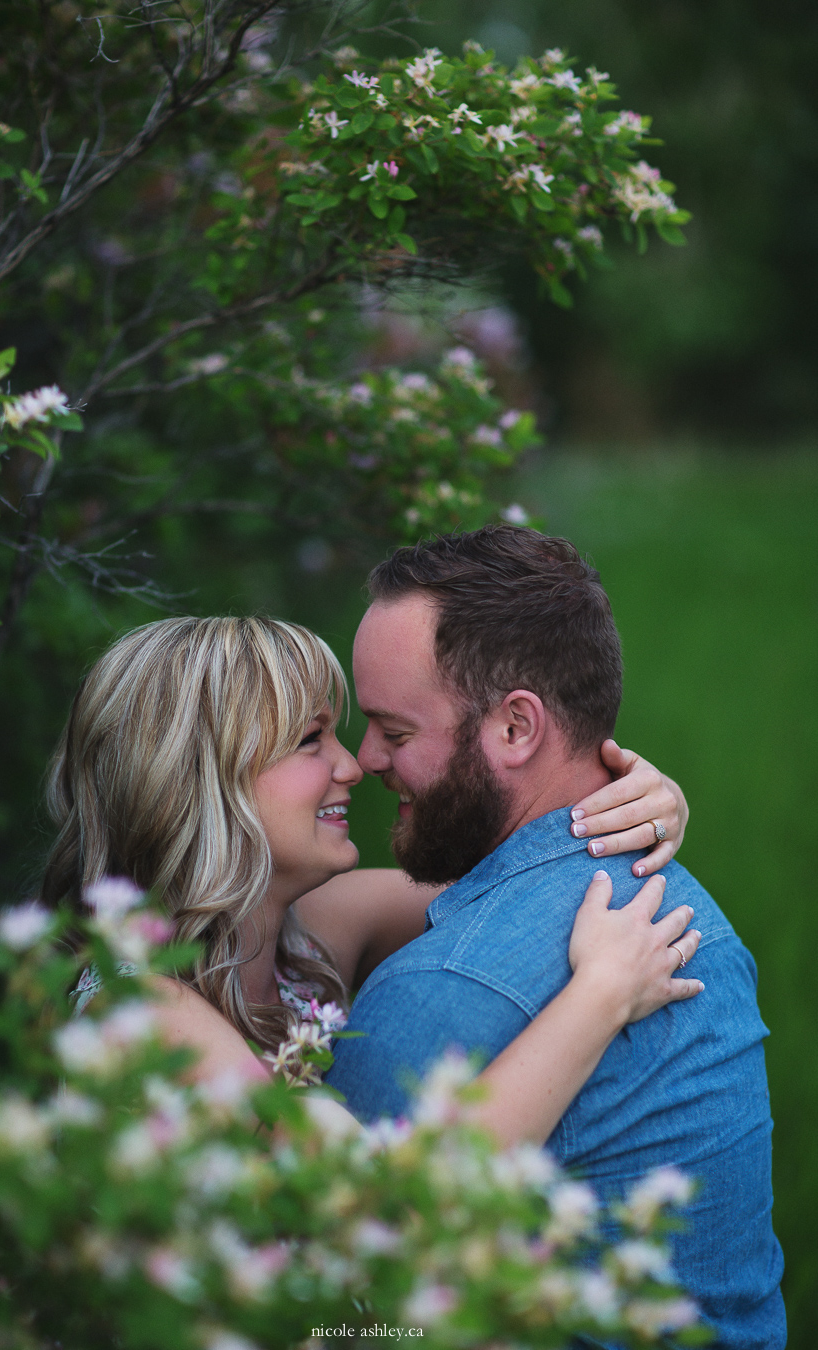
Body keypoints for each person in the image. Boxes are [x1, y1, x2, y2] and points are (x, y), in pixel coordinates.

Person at [325, 525, 786, 1349]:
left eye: (394, 732)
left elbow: (339, 1313)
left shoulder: (437, 997)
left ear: (516, 728)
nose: (363, 761)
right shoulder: (683, 907)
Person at [42, 614, 700, 1147]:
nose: (353, 767)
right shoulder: (143, 1013)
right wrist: (603, 997)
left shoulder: (323, 925)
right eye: (310, 741)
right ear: (198, 783)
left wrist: (634, 792)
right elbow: (391, 1208)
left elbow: (533, 895)